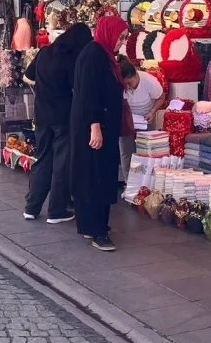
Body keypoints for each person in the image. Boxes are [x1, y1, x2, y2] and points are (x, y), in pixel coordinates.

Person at [22, 23, 93, 224]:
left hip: (42, 114)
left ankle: (32, 207)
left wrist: (43, 89)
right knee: (61, 162)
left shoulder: (45, 52)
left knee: (42, 158)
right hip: (63, 116)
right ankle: (56, 210)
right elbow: (77, 88)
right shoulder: (72, 59)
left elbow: (27, 77)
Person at [70, 16, 129, 252]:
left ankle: (90, 224)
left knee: (93, 175)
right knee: (98, 177)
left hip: (100, 125)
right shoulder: (93, 56)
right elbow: (89, 93)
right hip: (97, 127)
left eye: (124, 38)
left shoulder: (101, 54)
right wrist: (94, 125)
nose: (122, 42)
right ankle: (98, 230)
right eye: (121, 37)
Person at [118, 58, 166, 182]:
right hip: (126, 118)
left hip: (146, 119)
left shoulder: (149, 81)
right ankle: (129, 184)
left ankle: (147, 183)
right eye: (125, 85)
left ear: (136, 75)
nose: (128, 87)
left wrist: (152, 112)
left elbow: (161, 97)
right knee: (126, 152)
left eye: (130, 83)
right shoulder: (119, 84)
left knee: (147, 152)